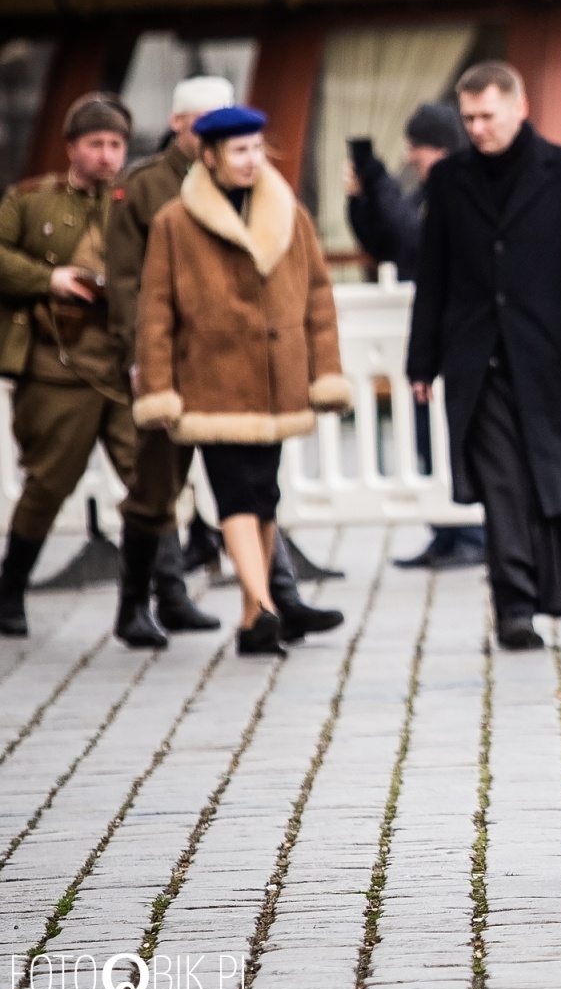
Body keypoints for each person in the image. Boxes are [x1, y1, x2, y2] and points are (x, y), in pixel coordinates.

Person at [406, 61, 561, 650]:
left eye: (486, 115)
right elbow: (434, 277)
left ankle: (555, 591)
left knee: (551, 480)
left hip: (546, 357)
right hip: (474, 362)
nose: (476, 127)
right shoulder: (449, 180)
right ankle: (515, 605)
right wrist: (421, 364)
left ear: (518, 107)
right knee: (500, 485)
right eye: (468, 117)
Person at [133, 106, 351, 656]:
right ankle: (266, 605)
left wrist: (326, 373)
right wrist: (159, 386)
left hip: (278, 384)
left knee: (265, 494)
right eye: (239, 151)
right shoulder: (174, 223)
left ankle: (255, 619)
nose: (252, 160)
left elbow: (319, 298)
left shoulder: (290, 214)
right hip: (213, 382)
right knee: (235, 493)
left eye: (257, 148)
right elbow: (154, 311)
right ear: (208, 156)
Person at [0, 92, 179, 638]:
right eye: (96, 144)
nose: (107, 156)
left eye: (117, 144)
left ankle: (161, 597)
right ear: (71, 146)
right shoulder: (32, 201)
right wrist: (46, 279)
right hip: (58, 365)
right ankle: (9, 592)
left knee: (149, 480)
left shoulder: (136, 201)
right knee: (49, 481)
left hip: (126, 362)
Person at [344, 101, 485, 571]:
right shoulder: (430, 191)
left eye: (417, 150)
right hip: (433, 337)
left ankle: (468, 532)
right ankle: (445, 532)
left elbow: (413, 238)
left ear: (437, 149)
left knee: (453, 436)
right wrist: (361, 199)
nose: (411, 159)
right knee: (427, 438)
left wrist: (378, 178)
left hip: (458, 338)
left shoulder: (459, 190)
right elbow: (386, 240)